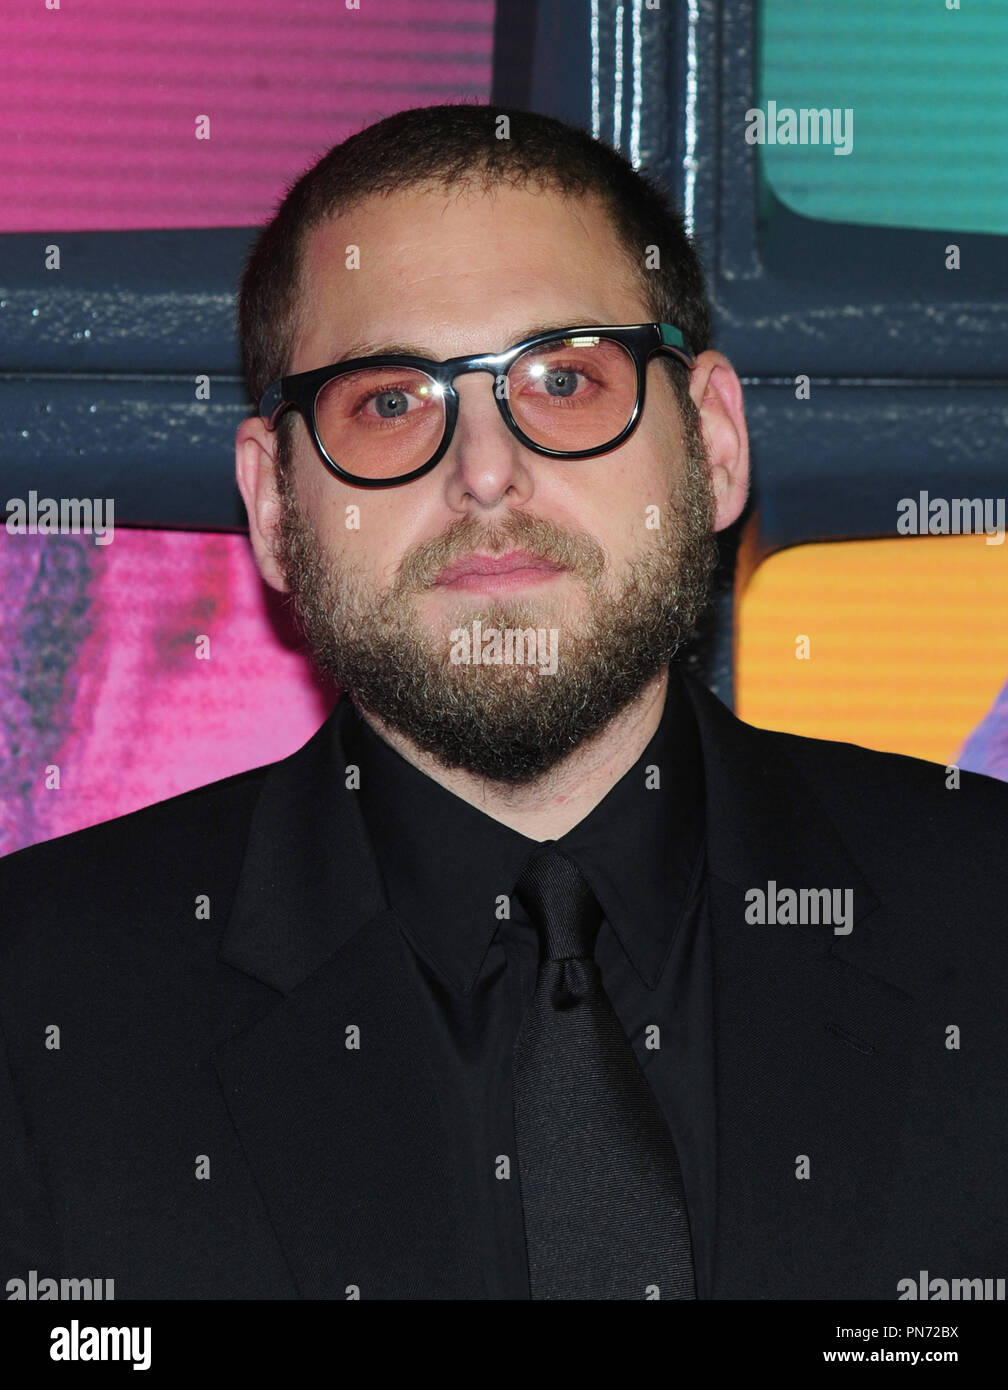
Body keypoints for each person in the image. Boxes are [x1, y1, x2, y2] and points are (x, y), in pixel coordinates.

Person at [2, 103, 1006, 1302]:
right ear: (273, 507)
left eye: (565, 380)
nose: (485, 472)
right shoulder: (37, 1011)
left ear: (716, 442)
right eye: (389, 403)